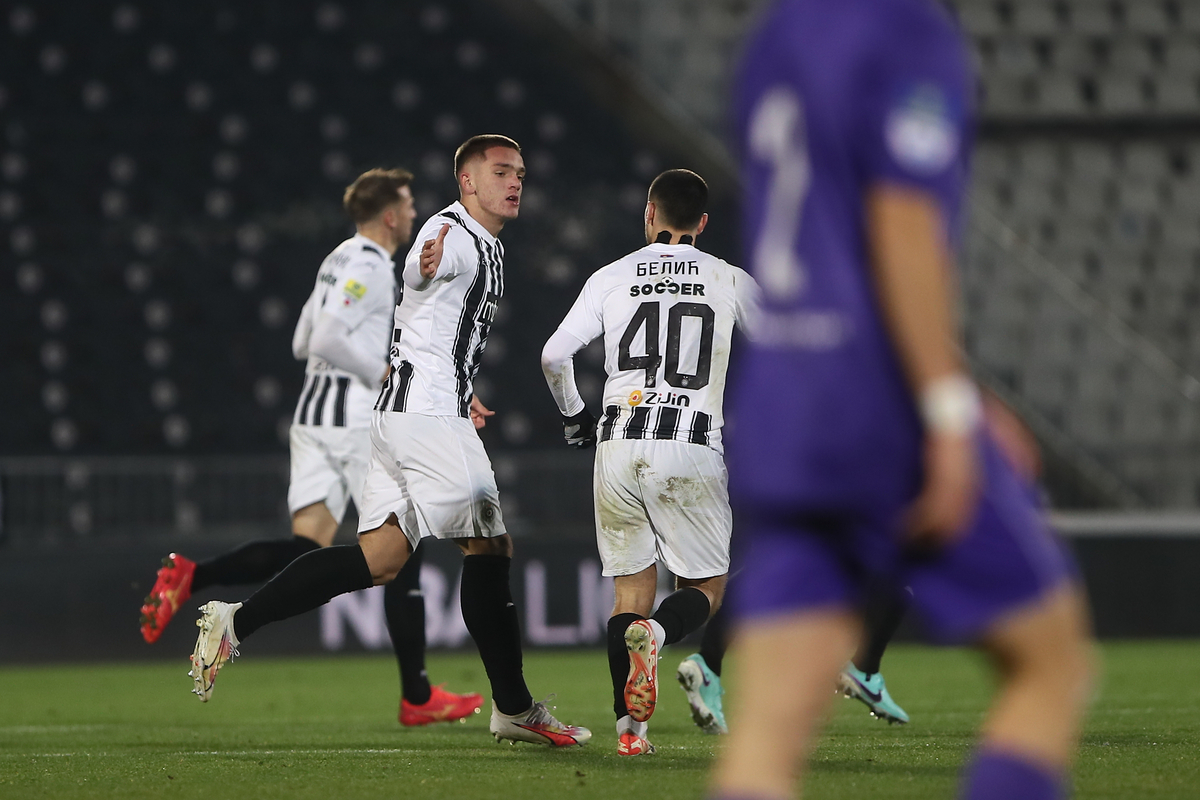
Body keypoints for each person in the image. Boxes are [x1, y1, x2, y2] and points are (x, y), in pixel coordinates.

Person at [710, 1, 1094, 799]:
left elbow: (820, 231)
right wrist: (948, 408)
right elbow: (902, 223)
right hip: (874, 404)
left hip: (783, 407)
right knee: (1051, 665)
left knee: (765, 741)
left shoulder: (778, 33)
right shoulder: (910, 32)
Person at [186, 135, 591, 748]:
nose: (514, 182)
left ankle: (235, 621)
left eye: (521, 174)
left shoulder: (489, 244)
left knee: (379, 560)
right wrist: (421, 268)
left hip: (402, 415)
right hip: (425, 419)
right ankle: (514, 708)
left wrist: (460, 390)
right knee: (490, 546)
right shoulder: (450, 233)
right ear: (467, 182)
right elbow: (426, 270)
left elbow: (426, 328)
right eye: (501, 172)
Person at [139, 168, 483, 726]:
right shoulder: (371, 267)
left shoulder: (335, 260)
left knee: (308, 543)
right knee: (403, 552)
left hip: (310, 414)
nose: (416, 213)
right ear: (391, 215)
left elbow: (303, 340)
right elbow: (324, 339)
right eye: (410, 204)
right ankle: (417, 695)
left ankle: (191, 575)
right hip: (350, 420)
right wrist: (382, 372)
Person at [541, 169, 759, 755]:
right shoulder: (729, 278)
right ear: (702, 224)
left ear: (649, 213)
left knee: (628, 593)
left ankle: (630, 735)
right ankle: (659, 636)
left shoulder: (611, 277)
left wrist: (573, 417)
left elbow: (554, 355)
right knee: (706, 588)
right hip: (689, 443)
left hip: (616, 443)